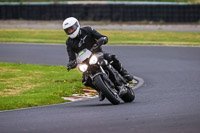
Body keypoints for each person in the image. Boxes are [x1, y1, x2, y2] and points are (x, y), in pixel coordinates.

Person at [63, 17, 133, 101]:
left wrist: (103, 39)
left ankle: (124, 73)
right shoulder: (69, 42)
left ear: (77, 25)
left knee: (112, 57)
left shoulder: (87, 30)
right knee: (85, 80)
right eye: (68, 30)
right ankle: (100, 90)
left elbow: (101, 36)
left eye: (71, 29)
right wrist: (71, 64)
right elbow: (71, 57)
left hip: (97, 53)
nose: (70, 31)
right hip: (85, 62)